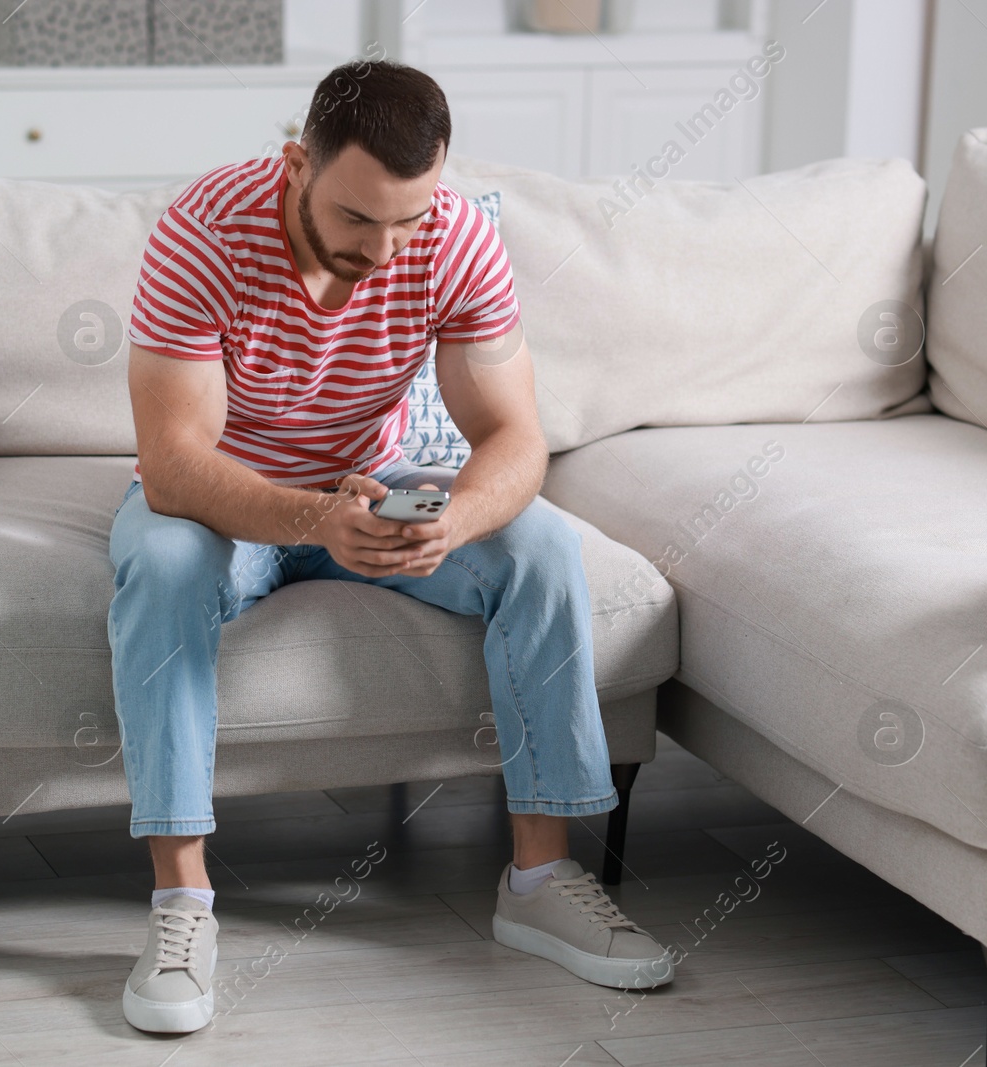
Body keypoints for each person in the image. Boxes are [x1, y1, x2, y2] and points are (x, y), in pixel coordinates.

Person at [108, 59, 673, 1034]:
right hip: (224, 498)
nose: (387, 246)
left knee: (536, 545)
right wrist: (307, 515)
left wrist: (454, 517)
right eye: (359, 217)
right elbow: (171, 465)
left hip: (377, 483)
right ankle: (182, 903)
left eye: (409, 218)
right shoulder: (203, 232)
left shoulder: (453, 238)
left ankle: (539, 876)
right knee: (158, 564)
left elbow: (513, 435)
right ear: (297, 164)